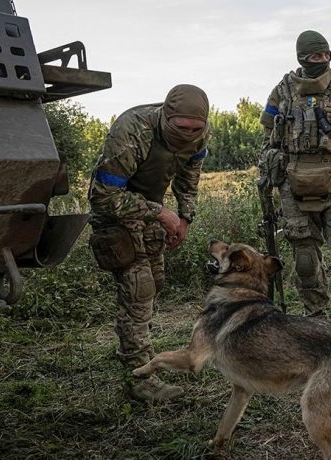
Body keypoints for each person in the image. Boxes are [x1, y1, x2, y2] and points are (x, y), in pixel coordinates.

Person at [88, 84, 210, 401]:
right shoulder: (132, 129)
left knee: (154, 283)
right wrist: (160, 212)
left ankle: (130, 348)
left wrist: (184, 218)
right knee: (139, 290)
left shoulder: (200, 133)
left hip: (152, 214)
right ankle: (140, 378)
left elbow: (189, 177)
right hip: (116, 215)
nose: (188, 134)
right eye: (181, 128)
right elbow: (103, 197)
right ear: (165, 116)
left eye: (196, 129)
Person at [258, 30, 331, 336]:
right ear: (301, 57)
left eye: (325, 55)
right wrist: (273, 163)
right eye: (314, 56)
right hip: (293, 183)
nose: (321, 60)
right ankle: (318, 328)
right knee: (305, 261)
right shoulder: (282, 91)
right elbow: (265, 140)